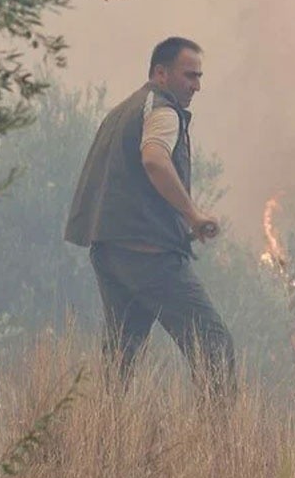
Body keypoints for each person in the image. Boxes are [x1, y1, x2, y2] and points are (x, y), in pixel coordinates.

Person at [65, 36, 234, 397]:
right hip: (149, 254)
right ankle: (223, 447)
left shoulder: (122, 111)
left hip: (109, 252)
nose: (196, 86)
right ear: (161, 73)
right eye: (189, 76)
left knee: (120, 362)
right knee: (214, 345)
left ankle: (101, 443)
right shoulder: (162, 110)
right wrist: (192, 214)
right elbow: (154, 158)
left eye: (199, 77)